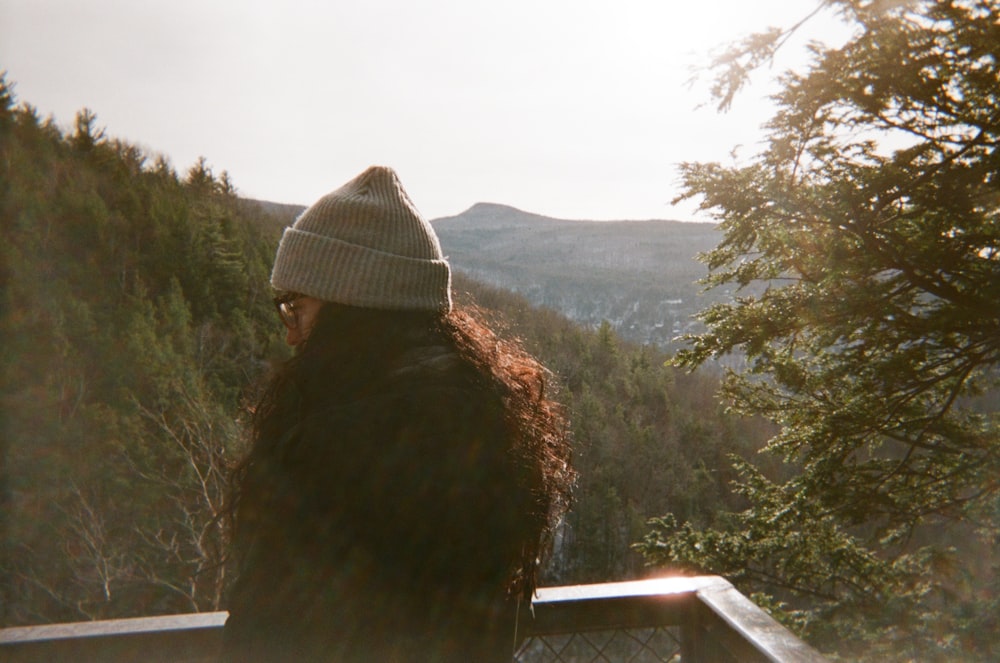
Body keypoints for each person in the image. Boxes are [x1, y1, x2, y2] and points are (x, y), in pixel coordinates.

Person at [221, 166, 574, 662]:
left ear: (353, 308)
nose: (291, 333)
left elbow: (265, 631)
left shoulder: (329, 445)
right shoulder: (496, 420)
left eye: (295, 307)